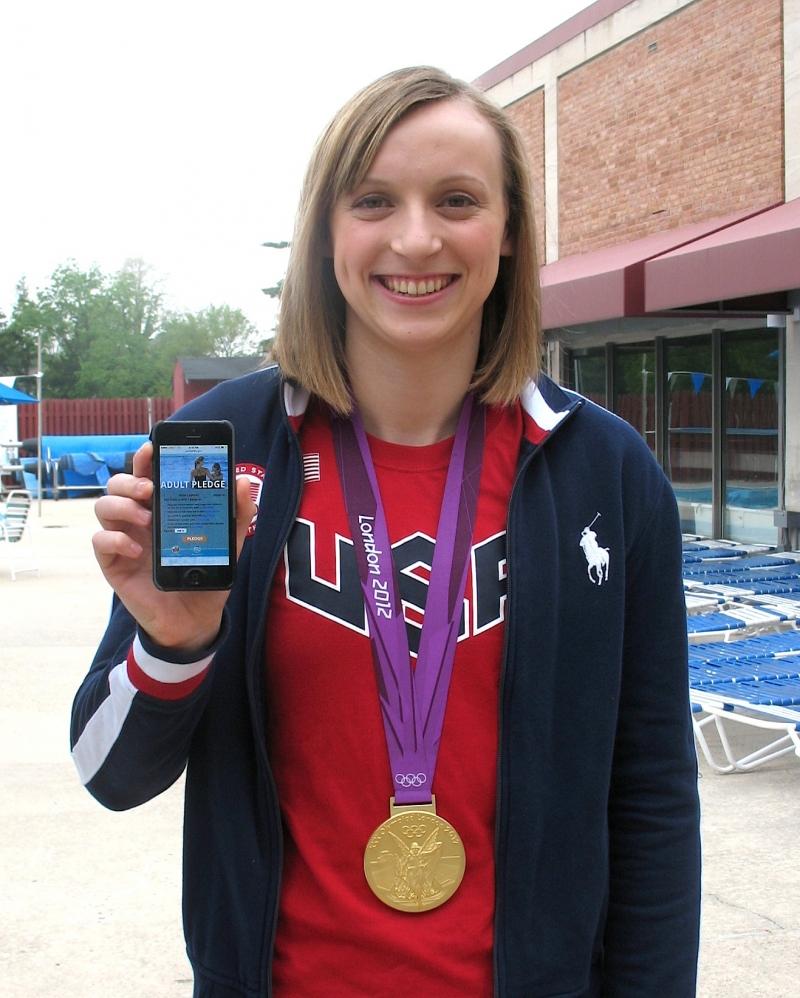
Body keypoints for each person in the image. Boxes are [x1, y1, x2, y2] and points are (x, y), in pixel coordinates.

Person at [70, 67, 701, 997]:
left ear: (511, 231)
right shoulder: (229, 449)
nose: (416, 238)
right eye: (374, 200)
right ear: (328, 231)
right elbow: (108, 773)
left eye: (456, 200)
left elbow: (650, 795)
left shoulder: (601, 472)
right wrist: (174, 642)